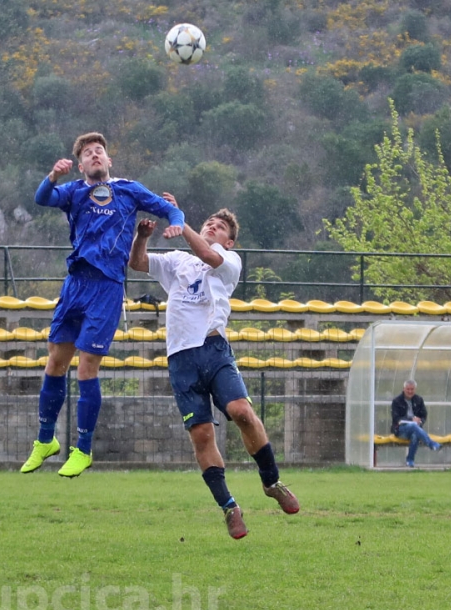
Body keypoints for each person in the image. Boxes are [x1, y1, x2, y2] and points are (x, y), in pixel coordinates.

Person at [128, 197, 299, 539]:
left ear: (229, 242)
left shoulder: (230, 261)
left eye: (219, 227)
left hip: (214, 348)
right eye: (209, 223)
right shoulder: (177, 261)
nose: (211, 227)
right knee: (202, 435)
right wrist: (142, 237)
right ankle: (229, 507)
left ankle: (271, 482)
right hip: (181, 358)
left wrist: (180, 221)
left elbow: (207, 254)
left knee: (242, 412)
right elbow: (137, 262)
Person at [21, 131, 185, 478]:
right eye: (88, 153)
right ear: (80, 165)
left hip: (107, 287)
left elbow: (170, 209)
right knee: (55, 361)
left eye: (99, 151)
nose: (95, 155)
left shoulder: (128, 189)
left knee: (87, 367)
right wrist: (53, 176)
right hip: (75, 283)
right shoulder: (74, 191)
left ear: (109, 160)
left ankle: (82, 448)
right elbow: (42, 198)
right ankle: (45, 439)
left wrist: (177, 223)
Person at [392, 379, 440, 468]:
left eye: (412, 389)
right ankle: (431, 444)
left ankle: (410, 461)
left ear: (415, 389)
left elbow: (424, 415)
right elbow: (396, 418)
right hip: (401, 429)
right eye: (408, 389)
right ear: (404, 389)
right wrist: (411, 419)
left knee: (415, 435)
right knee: (413, 425)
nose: (410, 391)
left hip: (416, 428)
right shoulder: (396, 401)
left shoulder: (419, 400)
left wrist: (420, 421)